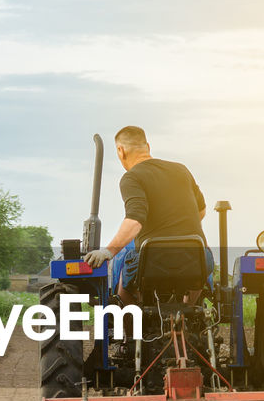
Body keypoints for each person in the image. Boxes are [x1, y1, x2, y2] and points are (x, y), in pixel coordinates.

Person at [84, 125, 213, 298]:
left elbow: (135, 220)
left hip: (154, 261)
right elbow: (201, 211)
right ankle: (183, 315)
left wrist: (108, 252)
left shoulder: (132, 177)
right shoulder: (181, 170)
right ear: (148, 147)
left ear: (120, 151)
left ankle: (132, 323)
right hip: (197, 257)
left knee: (125, 283)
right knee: (199, 270)